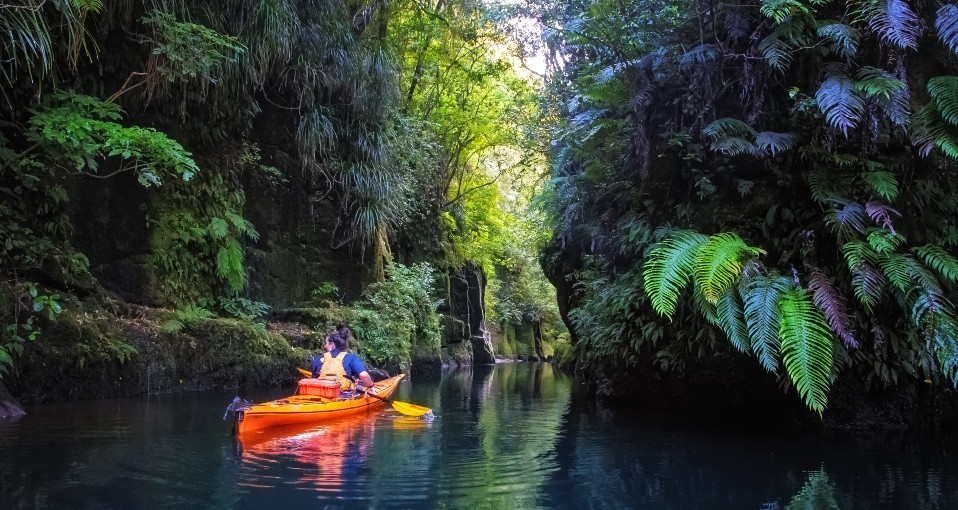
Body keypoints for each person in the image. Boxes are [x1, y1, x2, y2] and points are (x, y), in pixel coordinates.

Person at [310, 329, 375, 393]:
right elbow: (364, 375)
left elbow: (314, 379)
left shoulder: (318, 359)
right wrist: (371, 386)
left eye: (326, 343)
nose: (325, 346)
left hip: (320, 393)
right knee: (359, 387)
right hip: (343, 395)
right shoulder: (351, 358)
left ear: (332, 345)